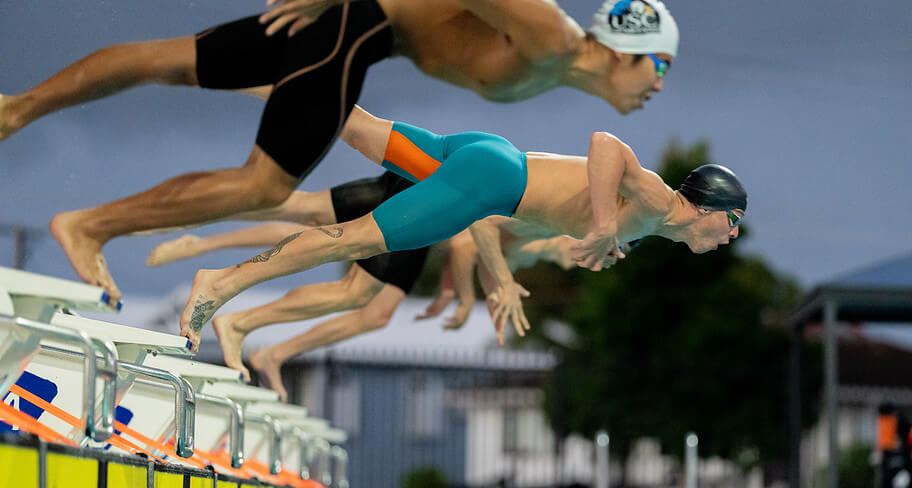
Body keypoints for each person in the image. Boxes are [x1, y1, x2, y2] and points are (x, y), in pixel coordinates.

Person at [0, 0, 678, 304]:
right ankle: (90, 226)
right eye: (661, 66)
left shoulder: (549, 70)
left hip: (352, 28)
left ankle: (14, 109)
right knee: (263, 186)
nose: (659, 86)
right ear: (630, 46)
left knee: (171, 61)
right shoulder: (552, 38)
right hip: (357, 23)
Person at [177, 105, 748, 350]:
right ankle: (220, 284)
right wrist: (603, 227)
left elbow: (564, 219)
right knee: (351, 238)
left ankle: (271, 74)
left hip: (491, 156)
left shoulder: (654, 224)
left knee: (353, 127)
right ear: (707, 205)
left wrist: (598, 243)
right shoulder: (663, 203)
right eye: (732, 223)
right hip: (490, 183)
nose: (731, 236)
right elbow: (608, 145)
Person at [147, 174, 576, 398]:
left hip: (427, 203)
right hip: (425, 197)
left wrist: (458, 290)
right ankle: (205, 244)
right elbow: (474, 235)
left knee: (364, 296)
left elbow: (473, 250)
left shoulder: (543, 243)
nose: (593, 265)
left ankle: (260, 339)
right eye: (600, 254)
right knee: (328, 247)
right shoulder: (547, 220)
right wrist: (465, 299)